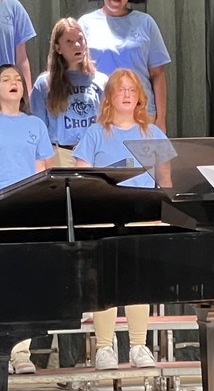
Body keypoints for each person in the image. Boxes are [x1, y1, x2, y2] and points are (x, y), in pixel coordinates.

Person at [73, 68, 171, 370]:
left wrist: (163, 215)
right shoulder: (96, 132)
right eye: (121, 89)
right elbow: (82, 175)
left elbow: (165, 180)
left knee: (137, 281)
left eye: (132, 89)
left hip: (140, 217)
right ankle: (104, 347)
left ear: (140, 96)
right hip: (104, 217)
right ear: (110, 97)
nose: (127, 94)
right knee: (104, 281)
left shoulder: (151, 133)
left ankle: (138, 345)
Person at [0, 65, 53, 374]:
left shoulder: (36, 126)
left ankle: (21, 352)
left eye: (18, 79)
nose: (14, 83)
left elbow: (44, 172)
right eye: (7, 79)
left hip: (26, 212)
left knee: (24, 284)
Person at [78, 0, 171, 132]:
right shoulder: (85, 24)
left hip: (142, 115)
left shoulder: (146, 23)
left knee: (142, 159)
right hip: (99, 115)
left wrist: (161, 119)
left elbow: (158, 75)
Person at [31, 17, 108, 167]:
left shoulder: (101, 81)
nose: (77, 45)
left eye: (80, 39)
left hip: (93, 155)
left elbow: (108, 124)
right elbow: (38, 130)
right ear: (58, 48)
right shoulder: (44, 84)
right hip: (60, 154)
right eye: (69, 42)